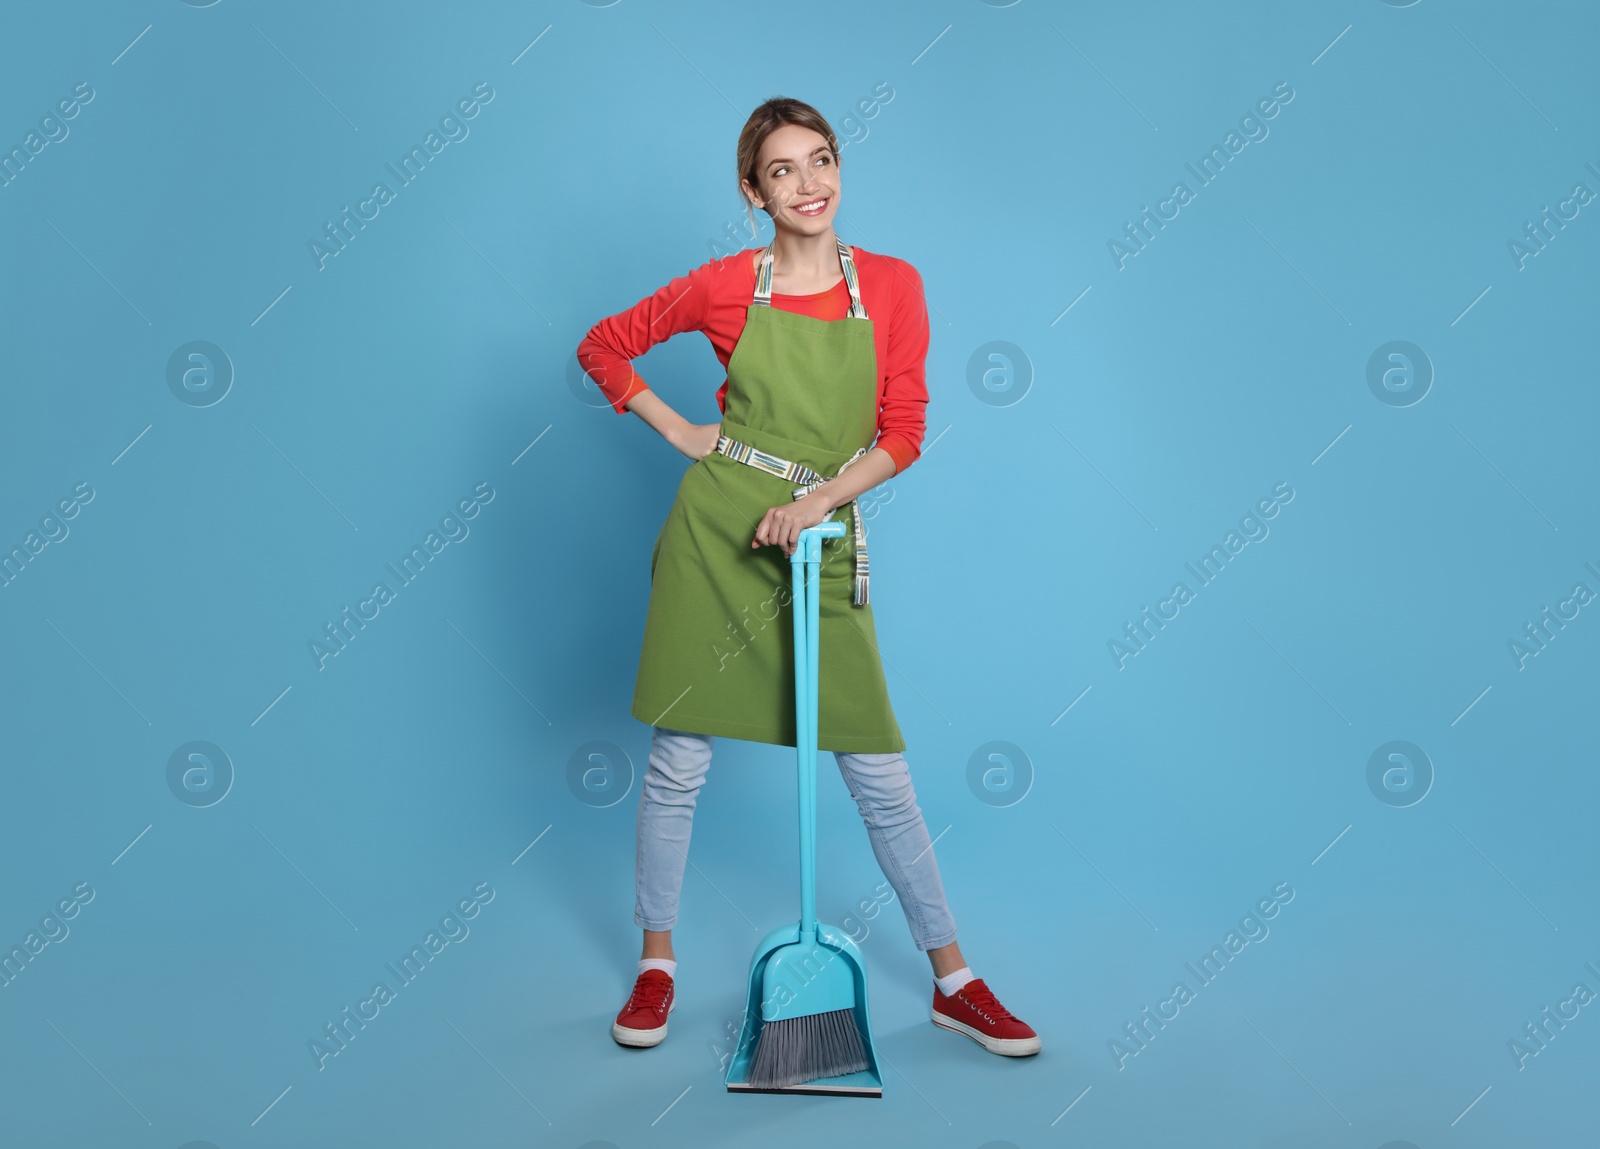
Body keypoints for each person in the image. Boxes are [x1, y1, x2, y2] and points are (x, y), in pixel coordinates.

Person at [575, 97, 1039, 1061]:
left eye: (821, 160)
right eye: (782, 170)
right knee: (679, 762)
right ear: (753, 192)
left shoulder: (896, 287)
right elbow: (604, 344)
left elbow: (902, 430)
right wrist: (683, 432)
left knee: (877, 769)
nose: (809, 183)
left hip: (818, 541)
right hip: (718, 540)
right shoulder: (722, 287)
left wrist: (821, 500)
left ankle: (954, 980)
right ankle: (657, 964)